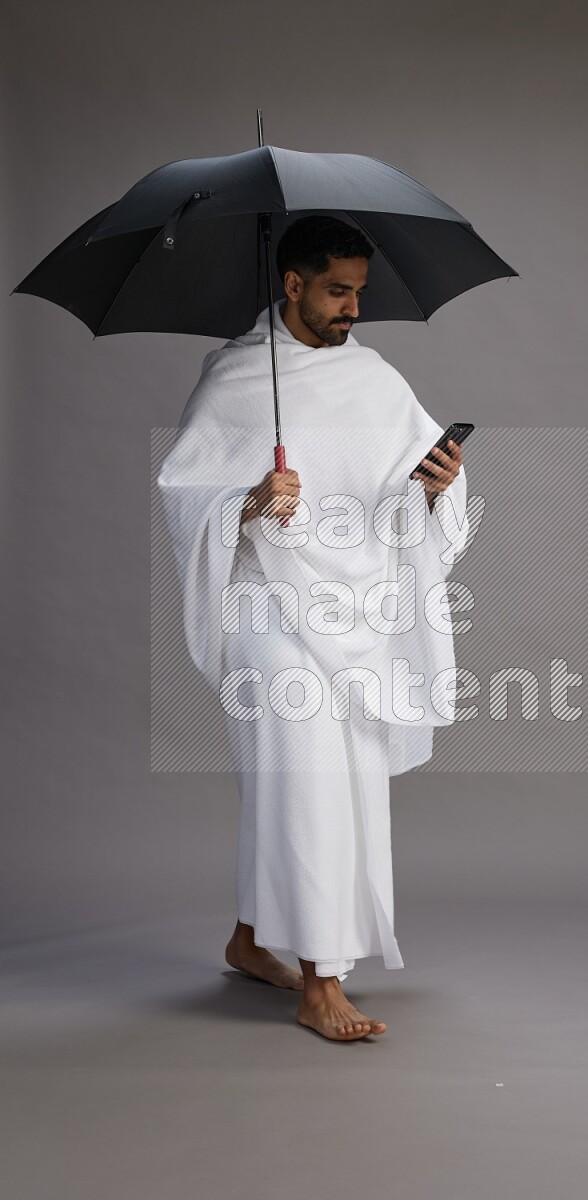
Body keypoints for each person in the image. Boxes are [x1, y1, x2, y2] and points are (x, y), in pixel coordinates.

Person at [157, 216, 469, 1041]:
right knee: (305, 786)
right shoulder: (235, 378)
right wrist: (250, 503)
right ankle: (321, 983)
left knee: (348, 785)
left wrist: (435, 488)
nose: (353, 308)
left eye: (360, 291)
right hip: (267, 609)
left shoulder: (375, 380)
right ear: (291, 284)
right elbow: (185, 497)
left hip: (356, 613)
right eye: (339, 290)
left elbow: (396, 500)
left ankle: (253, 940)